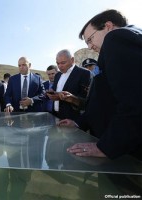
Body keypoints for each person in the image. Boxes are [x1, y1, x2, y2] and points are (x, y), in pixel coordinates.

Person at [59, 9, 142, 160]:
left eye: (90, 39)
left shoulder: (116, 38)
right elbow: (104, 100)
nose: (89, 47)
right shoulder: (129, 39)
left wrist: (105, 147)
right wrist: (78, 123)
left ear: (108, 26)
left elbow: (135, 102)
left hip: (123, 152)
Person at [47, 50, 91, 120]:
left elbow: (87, 102)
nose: (60, 66)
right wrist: (52, 94)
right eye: (57, 63)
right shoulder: (58, 75)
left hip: (72, 119)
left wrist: (72, 98)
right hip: (55, 116)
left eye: (63, 63)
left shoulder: (84, 73)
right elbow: (54, 91)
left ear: (72, 60)